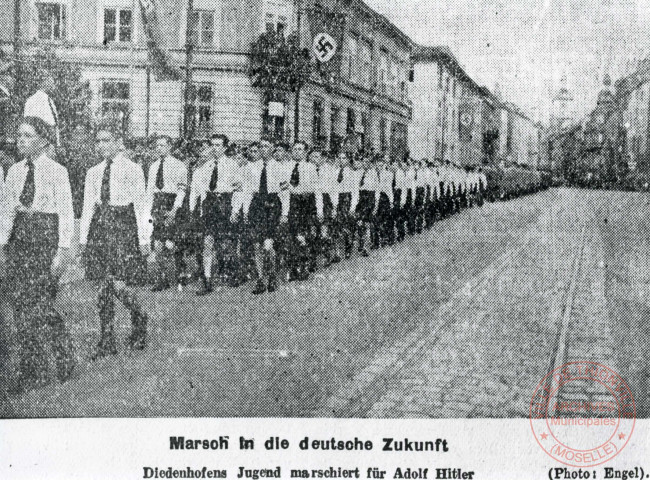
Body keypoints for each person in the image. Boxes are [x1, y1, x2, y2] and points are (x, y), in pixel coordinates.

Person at [0, 116, 75, 390]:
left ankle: (64, 356)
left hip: (44, 238)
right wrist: (2, 246)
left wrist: (61, 251)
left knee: (41, 307)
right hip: (20, 240)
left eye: (28, 135)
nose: (21, 140)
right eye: (19, 135)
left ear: (43, 141)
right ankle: (32, 371)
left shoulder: (57, 171)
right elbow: (7, 212)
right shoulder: (15, 171)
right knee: (21, 307)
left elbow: (66, 214)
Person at [79, 116, 150, 358]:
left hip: (123, 228)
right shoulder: (93, 172)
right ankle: (106, 339)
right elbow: (88, 206)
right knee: (102, 287)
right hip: (101, 228)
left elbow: (141, 206)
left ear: (118, 142)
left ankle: (139, 317)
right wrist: (83, 240)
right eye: (98, 141)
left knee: (120, 286)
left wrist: (144, 238)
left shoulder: (133, 169)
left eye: (106, 140)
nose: (101, 145)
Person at [189, 134, 240, 295]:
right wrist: (195, 210)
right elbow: (198, 190)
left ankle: (233, 272)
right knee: (208, 242)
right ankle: (207, 280)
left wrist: (235, 210)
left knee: (227, 244)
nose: (215, 148)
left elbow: (239, 190)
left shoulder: (233, 165)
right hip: (210, 206)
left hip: (225, 204)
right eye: (213, 145)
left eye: (218, 145)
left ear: (225, 147)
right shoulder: (206, 166)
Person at [244, 140, 288, 294]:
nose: (263, 149)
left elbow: (284, 192)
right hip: (256, 205)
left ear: (272, 149)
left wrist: (284, 213)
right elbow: (247, 191)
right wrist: (245, 210)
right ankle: (261, 279)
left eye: (266, 146)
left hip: (272, 204)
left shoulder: (279, 167)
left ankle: (272, 276)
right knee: (256, 245)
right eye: (261, 147)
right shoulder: (250, 167)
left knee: (268, 245)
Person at [145, 135, 188, 292]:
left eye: (162, 145)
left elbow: (181, 190)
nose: (159, 148)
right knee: (157, 244)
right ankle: (162, 278)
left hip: (172, 204)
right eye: (157, 146)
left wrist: (174, 210)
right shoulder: (153, 166)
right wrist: (148, 210)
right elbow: (150, 190)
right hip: (158, 204)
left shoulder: (179, 166)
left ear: (170, 147)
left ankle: (181, 273)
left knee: (172, 244)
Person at [286, 141, 318, 281]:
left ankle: (304, 265)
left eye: (300, 149)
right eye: (295, 149)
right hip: (290, 203)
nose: (297, 152)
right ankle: (294, 267)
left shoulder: (310, 167)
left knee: (302, 235)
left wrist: (319, 209)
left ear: (305, 152)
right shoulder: (286, 166)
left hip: (305, 203)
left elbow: (314, 189)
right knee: (292, 235)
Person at [355, 153, 378, 257]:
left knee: (367, 223)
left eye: (367, 162)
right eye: (363, 161)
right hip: (360, 198)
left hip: (370, 198)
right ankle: (361, 241)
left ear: (370, 163)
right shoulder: (358, 172)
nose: (365, 163)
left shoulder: (373, 173)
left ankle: (366, 247)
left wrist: (376, 204)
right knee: (359, 222)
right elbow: (355, 187)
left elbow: (377, 189)